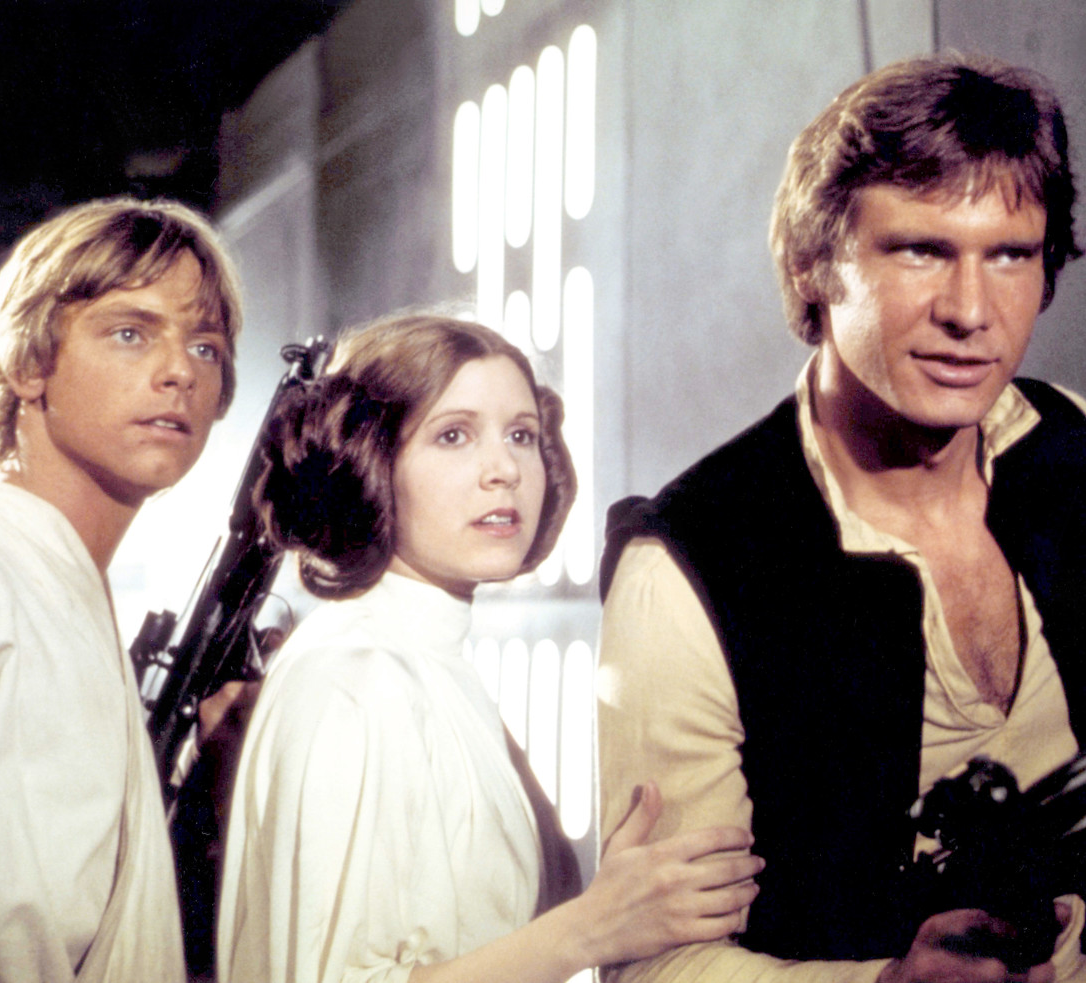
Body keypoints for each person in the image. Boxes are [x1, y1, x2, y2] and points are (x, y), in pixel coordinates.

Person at [597, 53, 1086, 983]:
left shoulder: (1061, 444)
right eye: (920, 250)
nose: (971, 312)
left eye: (1010, 255)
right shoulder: (687, 567)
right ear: (813, 264)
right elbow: (656, 966)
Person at [217, 313, 764, 983]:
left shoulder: (426, 664)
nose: (505, 470)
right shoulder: (353, 676)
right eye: (454, 435)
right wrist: (591, 928)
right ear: (367, 460)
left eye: (522, 435)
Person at [0, 196, 242, 982]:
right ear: (29, 363)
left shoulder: (67, 585)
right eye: (130, 332)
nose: (180, 371)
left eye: (206, 347)